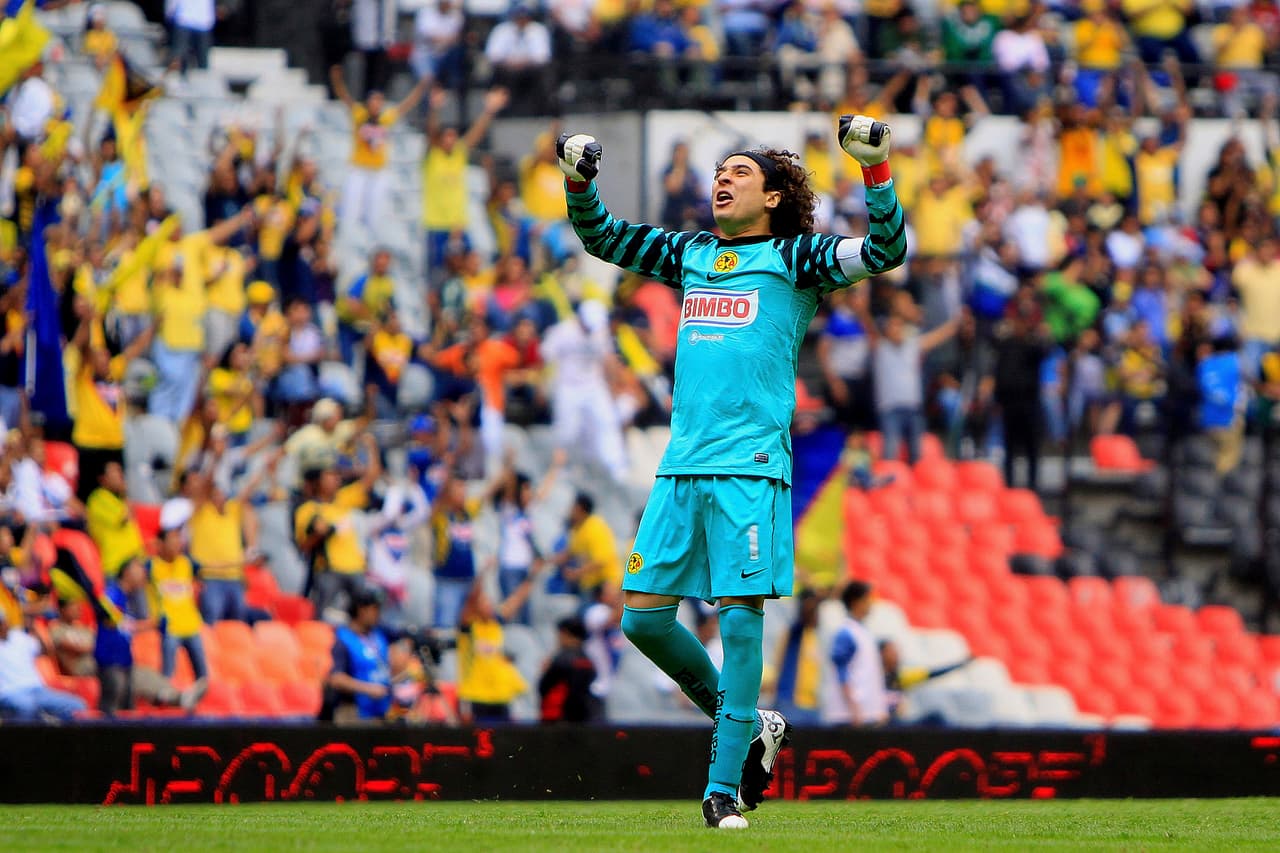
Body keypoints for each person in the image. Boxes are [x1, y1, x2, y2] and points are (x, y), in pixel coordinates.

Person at [556, 114, 906, 827]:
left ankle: (722, 789)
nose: (722, 178)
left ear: (774, 197)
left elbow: (886, 248)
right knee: (642, 620)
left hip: (750, 466)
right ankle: (748, 726)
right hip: (682, 463)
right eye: (720, 172)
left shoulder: (798, 258)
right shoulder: (689, 252)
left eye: (740, 172)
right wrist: (579, 184)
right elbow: (602, 237)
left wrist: (874, 167)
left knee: (740, 624)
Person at [329, 67, 429, 230]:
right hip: (359, 168)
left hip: (378, 170)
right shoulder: (360, 115)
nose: (376, 104)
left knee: (375, 213)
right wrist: (337, 80)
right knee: (351, 209)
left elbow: (407, 104)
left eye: (379, 101)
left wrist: (421, 87)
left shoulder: (386, 118)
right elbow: (344, 97)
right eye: (373, 100)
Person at [820, 581, 889, 727]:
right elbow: (841, 671)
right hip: (848, 716)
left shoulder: (863, 632)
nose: (870, 604)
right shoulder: (846, 633)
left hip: (865, 714)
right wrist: (854, 708)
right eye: (867, 599)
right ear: (856, 602)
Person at [0, 607, 87, 722]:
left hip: (37, 690)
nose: (3, 626)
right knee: (27, 707)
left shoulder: (18, 637)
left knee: (76, 706)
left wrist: (35, 627)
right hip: (10, 693)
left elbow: (45, 650)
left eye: (3, 622)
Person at [322, 587, 393, 722]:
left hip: (380, 712)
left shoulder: (378, 636)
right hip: (353, 713)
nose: (378, 614)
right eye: (374, 609)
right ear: (361, 610)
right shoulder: (343, 639)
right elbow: (336, 678)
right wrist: (369, 689)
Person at [539, 616, 601, 723]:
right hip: (583, 716)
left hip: (558, 717)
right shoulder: (587, 660)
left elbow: (544, 687)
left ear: (565, 633)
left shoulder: (561, 659)